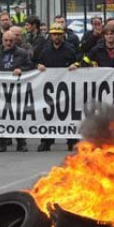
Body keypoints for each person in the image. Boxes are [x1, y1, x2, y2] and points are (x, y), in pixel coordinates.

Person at [35, 23, 80, 152]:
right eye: (54, 34)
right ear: (50, 36)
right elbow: (36, 62)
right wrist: (38, 65)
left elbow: (79, 60)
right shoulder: (45, 51)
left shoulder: (70, 49)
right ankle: (46, 141)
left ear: (63, 35)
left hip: (67, 89)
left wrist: (76, 64)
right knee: (48, 115)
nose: (56, 37)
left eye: (59, 34)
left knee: (68, 115)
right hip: (49, 89)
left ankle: (72, 141)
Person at [0, 31, 35, 152]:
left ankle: (21, 142)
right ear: (2, 40)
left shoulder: (22, 53)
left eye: (11, 41)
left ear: (15, 41)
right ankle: (2, 142)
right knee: (1, 116)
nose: (8, 43)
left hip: (17, 90)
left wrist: (21, 69)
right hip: (1, 90)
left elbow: (31, 66)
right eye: (6, 40)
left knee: (18, 116)